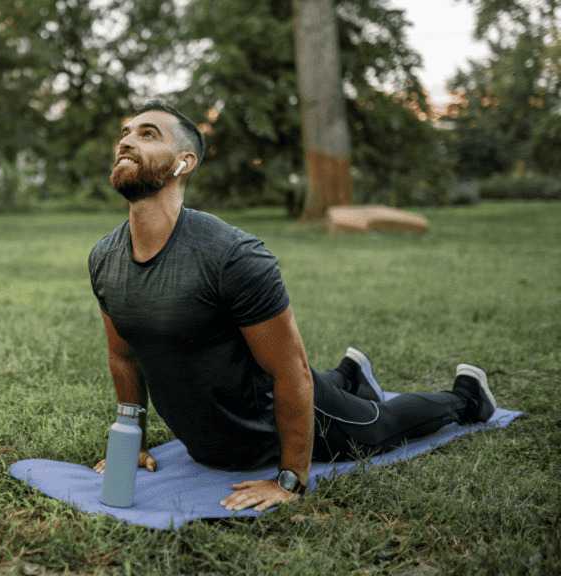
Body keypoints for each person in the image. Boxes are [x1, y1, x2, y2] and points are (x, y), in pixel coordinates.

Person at [88, 101, 498, 512]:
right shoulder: (105, 258)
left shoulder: (231, 256)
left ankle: (466, 397)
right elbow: (124, 358)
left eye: (148, 134)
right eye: (125, 132)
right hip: (218, 439)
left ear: (184, 163)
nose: (126, 141)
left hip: (273, 426)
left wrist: (290, 479)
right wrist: (133, 443)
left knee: (380, 426)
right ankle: (350, 374)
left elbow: (290, 371)